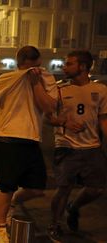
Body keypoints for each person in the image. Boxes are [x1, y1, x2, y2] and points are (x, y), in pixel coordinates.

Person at [0, 46, 57, 243]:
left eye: (36, 66)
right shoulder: (6, 79)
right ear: (21, 64)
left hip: (32, 139)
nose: (33, 70)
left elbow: (48, 107)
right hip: (7, 138)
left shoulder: (45, 79)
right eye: (29, 67)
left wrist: (36, 83)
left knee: (37, 188)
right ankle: (1, 227)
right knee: (6, 186)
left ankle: (11, 204)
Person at [46, 51, 107, 242]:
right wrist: (64, 123)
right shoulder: (59, 90)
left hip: (92, 147)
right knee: (64, 187)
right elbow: (47, 118)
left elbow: (103, 119)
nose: (64, 67)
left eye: (69, 64)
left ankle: (74, 207)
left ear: (82, 67)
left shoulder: (102, 90)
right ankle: (54, 225)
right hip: (66, 147)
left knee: (96, 189)